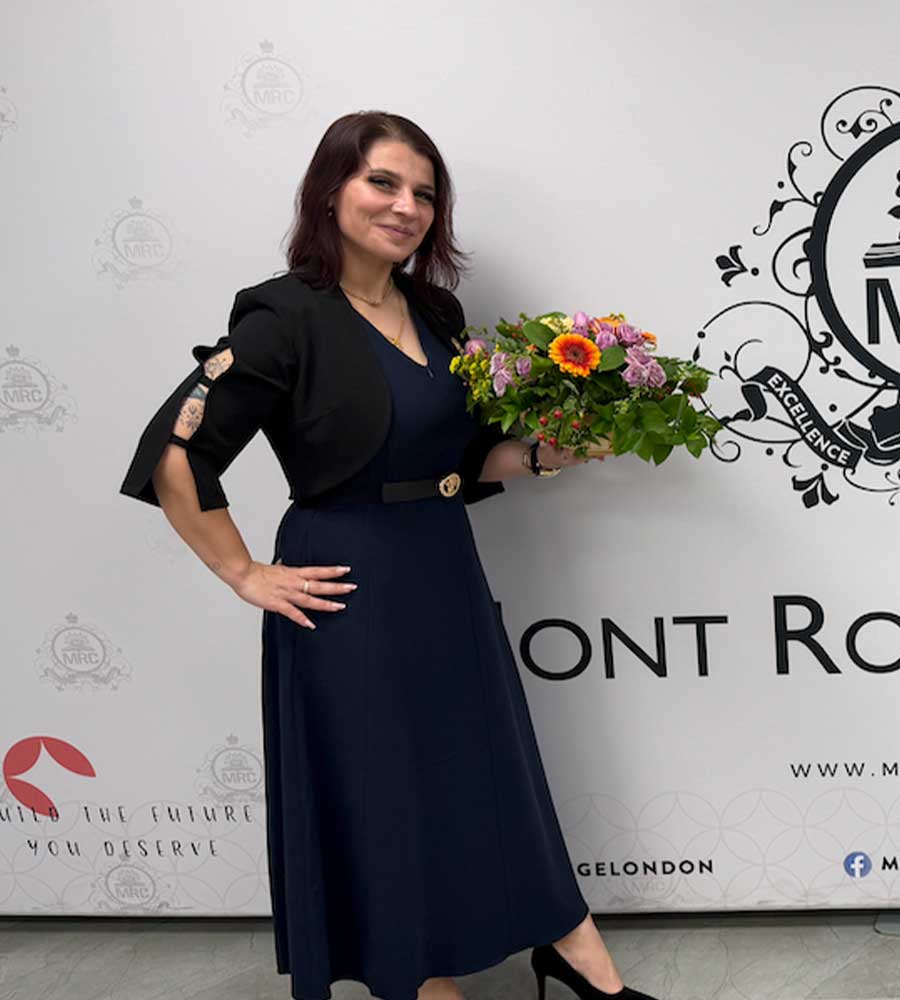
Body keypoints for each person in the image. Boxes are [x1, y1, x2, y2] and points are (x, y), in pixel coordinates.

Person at [121, 111, 657, 1000]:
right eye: (383, 182)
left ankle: (573, 949)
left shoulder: (436, 312)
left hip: (443, 563)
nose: (405, 206)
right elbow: (177, 452)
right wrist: (242, 570)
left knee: (485, 771)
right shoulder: (282, 315)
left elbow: (468, 458)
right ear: (331, 189)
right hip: (347, 583)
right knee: (383, 790)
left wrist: (545, 455)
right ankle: (416, 974)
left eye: (424, 193)